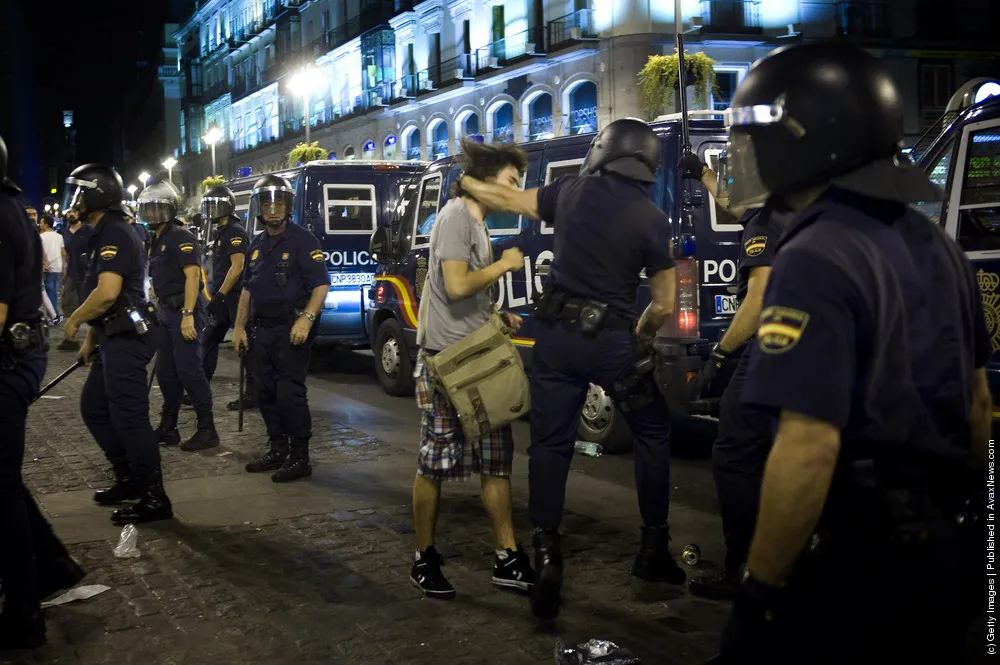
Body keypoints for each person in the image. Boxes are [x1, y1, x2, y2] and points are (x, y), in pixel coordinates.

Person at [710, 43, 988, 664]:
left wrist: (760, 591)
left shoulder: (813, 255)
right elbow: (977, 404)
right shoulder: (938, 246)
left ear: (801, 141)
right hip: (946, 552)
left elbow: (808, 449)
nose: (746, 153)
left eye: (756, 133)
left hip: (862, 565)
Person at [461, 119, 685, 620]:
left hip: (556, 338)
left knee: (550, 443)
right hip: (613, 343)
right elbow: (666, 305)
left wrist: (469, 182)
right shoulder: (652, 218)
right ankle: (653, 551)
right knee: (651, 430)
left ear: (600, 153)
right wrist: (641, 335)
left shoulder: (571, 191)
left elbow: (509, 202)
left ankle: (546, 551)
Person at [408, 139, 535, 600]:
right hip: (447, 365)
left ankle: (507, 556)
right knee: (436, 464)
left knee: (496, 463)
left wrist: (494, 315)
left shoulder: (478, 223)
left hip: (478, 361)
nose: (513, 192)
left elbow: (458, 293)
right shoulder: (457, 217)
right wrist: (503, 265)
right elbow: (457, 284)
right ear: (484, 180)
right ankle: (424, 557)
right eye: (510, 182)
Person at [679, 155, 789, 600]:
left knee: (735, 451)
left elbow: (758, 299)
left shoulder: (768, 222)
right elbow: (733, 205)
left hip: (772, 345)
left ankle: (744, 567)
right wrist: (701, 174)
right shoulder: (793, 208)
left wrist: (719, 358)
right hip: (811, 344)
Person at [0, 135, 85, 649]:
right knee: (3, 481)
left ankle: (24, 608)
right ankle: (52, 562)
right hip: (19, 356)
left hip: (8, 360)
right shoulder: (10, 206)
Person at [62, 163, 172, 525]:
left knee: (130, 419)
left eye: (81, 191)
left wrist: (76, 319)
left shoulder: (116, 232)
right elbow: (109, 294)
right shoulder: (102, 233)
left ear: (98, 194)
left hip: (128, 335)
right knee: (94, 407)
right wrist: (92, 338)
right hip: (112, 333)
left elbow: (108, 294)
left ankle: (155, 497)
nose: (75, 199)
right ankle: (127, 478)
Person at [232, 175, 330, 483]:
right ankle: (277, 448)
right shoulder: (257, 244)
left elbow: (321, 284)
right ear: (259, 209)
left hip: (291, 330)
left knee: (289, 394)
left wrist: (307, 319)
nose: (272, 210)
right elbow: (247, 289)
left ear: (287, 206)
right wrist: (238, 327)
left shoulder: (303, 240)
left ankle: (300, 456)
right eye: (266, 204)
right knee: (264, 393)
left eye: (278, 203)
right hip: (261, 331)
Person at [140, 179, 218, 452]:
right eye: (148, 209)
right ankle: (168, 427)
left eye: (157, 209)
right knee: (166, 373)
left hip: (183, 313)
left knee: (190, 371)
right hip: (165, 314)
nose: (151, 215)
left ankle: (207, 429)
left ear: (170, 210)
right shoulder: (157, 239)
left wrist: (187, 314)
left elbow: (193, 276)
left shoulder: (181, 237)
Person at [200, 185, 254, 402]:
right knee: (209, 338)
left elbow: (237, 266)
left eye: (215, 206)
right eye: (209, 207)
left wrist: (220, 295)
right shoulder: (221, 231)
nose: (211, 212)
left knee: (245, 343)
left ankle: (252, 392)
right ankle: (200, 386)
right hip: (223, 296)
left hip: (235, 296)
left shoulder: (235, 231)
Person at [57, 208, 93, 350]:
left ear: (79, 214)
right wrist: (64, 268)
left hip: (87, 274)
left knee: (91, 305)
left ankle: (97, 338)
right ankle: (70, 339)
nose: (71, 214)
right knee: (67, 304)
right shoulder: (63, 233)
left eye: (74, 212)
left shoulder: (88, 231)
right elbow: (64, 252)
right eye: (68, 212)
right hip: (71, 274)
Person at [38, 214, 66, 323]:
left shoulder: (41, 236)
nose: (40, 224)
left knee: (49, 293)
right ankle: (55, 315)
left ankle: (54, 316)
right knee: (54, 291)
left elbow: (40, 252)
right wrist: (64, 267)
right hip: (58, 267)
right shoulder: (59, 236)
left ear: (46, 224)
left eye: (41, 222)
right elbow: (63, 253)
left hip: (47, 268)